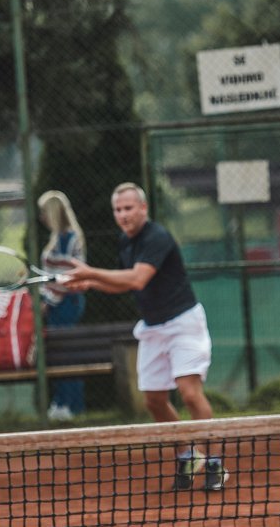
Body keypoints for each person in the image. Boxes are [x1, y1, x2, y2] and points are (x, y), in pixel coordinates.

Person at [62, 182, 225, 491]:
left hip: (183, 323)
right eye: (117, 210)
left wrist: (91, 272)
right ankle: (187, 456)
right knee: (154, 400)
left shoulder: (157, 237)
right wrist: (91, 284)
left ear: (143, 208)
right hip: (152, 328)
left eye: (128, 208)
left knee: (190, 393)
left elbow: (138, 278)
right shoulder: (126, 242)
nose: (123, 215)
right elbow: (124, 284)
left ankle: (214, 462)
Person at [37, 190, 87, 421]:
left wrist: (47, 301)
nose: (41, 217)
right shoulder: (57, 238)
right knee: (60, 353)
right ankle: (62, 402)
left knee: (67, 353)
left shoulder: (70, 239)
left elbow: (67, 276)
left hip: (66, 303)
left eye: (44, 212)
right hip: (57, 303)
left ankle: (69, 404)